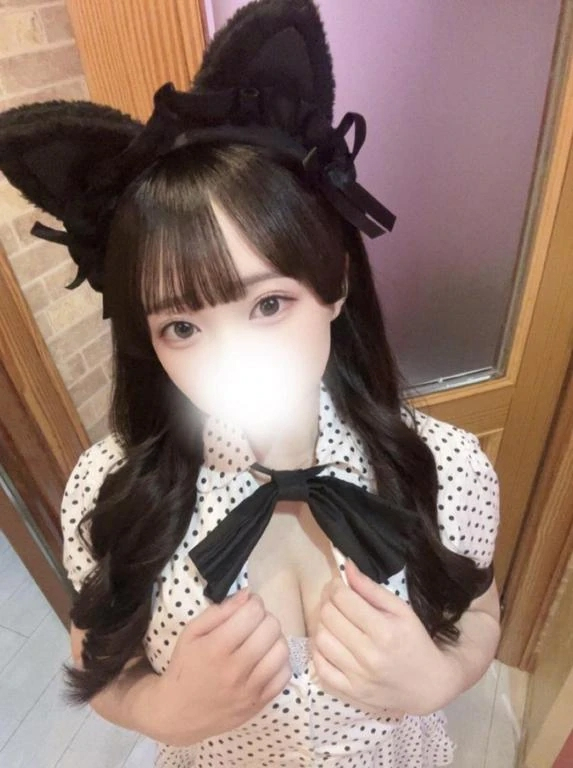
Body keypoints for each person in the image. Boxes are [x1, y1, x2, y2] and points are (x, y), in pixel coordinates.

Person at [0, 0, 500, 765]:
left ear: (334, 285)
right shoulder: (109, 491)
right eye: (181, 326)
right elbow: (94, 656)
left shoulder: (448, 464)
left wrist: (439, 678)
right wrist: (165, 710)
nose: (230, 359)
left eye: (268, 304)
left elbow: (481, 612)